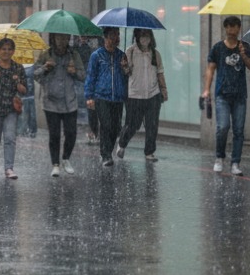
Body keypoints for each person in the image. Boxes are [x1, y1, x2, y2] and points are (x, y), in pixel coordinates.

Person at [202, 16, 250, 175]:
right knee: (223, 127)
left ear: (239, 28)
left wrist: (244, 55)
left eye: (235, 26)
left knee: (239, 130)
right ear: (225, 28)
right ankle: (219, 157)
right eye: (229, 26)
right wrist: (207, 89)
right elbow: (210, 69)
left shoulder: (244, 46)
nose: (232, 29)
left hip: (240, 95)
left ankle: (235, 162)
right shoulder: (218, 48)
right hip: (222, 95)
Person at [34, 33, 86, 177]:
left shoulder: (73, 55)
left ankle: (66, 158)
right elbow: (35, 74)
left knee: (71, 133)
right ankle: (55, 164)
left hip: (70, 101)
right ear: (53, 39)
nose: (62, 41)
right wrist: (45, 67)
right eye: (59, 38)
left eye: (65, 38)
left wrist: (74, 71)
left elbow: (83, 76)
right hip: (51, 101)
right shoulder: (46, 54)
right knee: (54, 134)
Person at [116, 28, 168, 162]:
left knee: (152, 125)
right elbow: (126, 72)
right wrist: (124, 67)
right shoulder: (130, 51)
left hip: (153, 94)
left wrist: (164, 90)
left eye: (147, 36)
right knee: (133, 125)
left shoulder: (155, 54)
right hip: (135, 95)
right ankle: (122, 143)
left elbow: (160, 73)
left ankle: (149, 152)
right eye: (142, 36)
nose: (145, 39)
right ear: (137, 37)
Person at [0, 38, 27, 179]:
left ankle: (9, 168)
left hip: (10, 109)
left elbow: (24, 90)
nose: (6, 52)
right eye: (3, 49)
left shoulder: (18, 68)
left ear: (13, 51)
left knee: (9, 138)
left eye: (9, 49)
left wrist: (17, 82)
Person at [85, 27, 129, 167]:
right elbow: (91, 76)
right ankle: (106, 155)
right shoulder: (97, 55)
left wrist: (125, 68)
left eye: (117, 35)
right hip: (101, 96)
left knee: (116, 127)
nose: (115, 38)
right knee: (106, 125)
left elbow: (127, 77)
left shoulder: (122, 56)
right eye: (112, 35)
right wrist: (89, 96)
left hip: (117, 97)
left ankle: (108, 151)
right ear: (105, 37)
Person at [21, 63, 38, 137]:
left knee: (29, 113)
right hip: (26, 94)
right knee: (29, 113)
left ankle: (29, 130)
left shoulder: (32, 66)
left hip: (29, 94)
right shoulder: (31, 67)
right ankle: (29, 130)